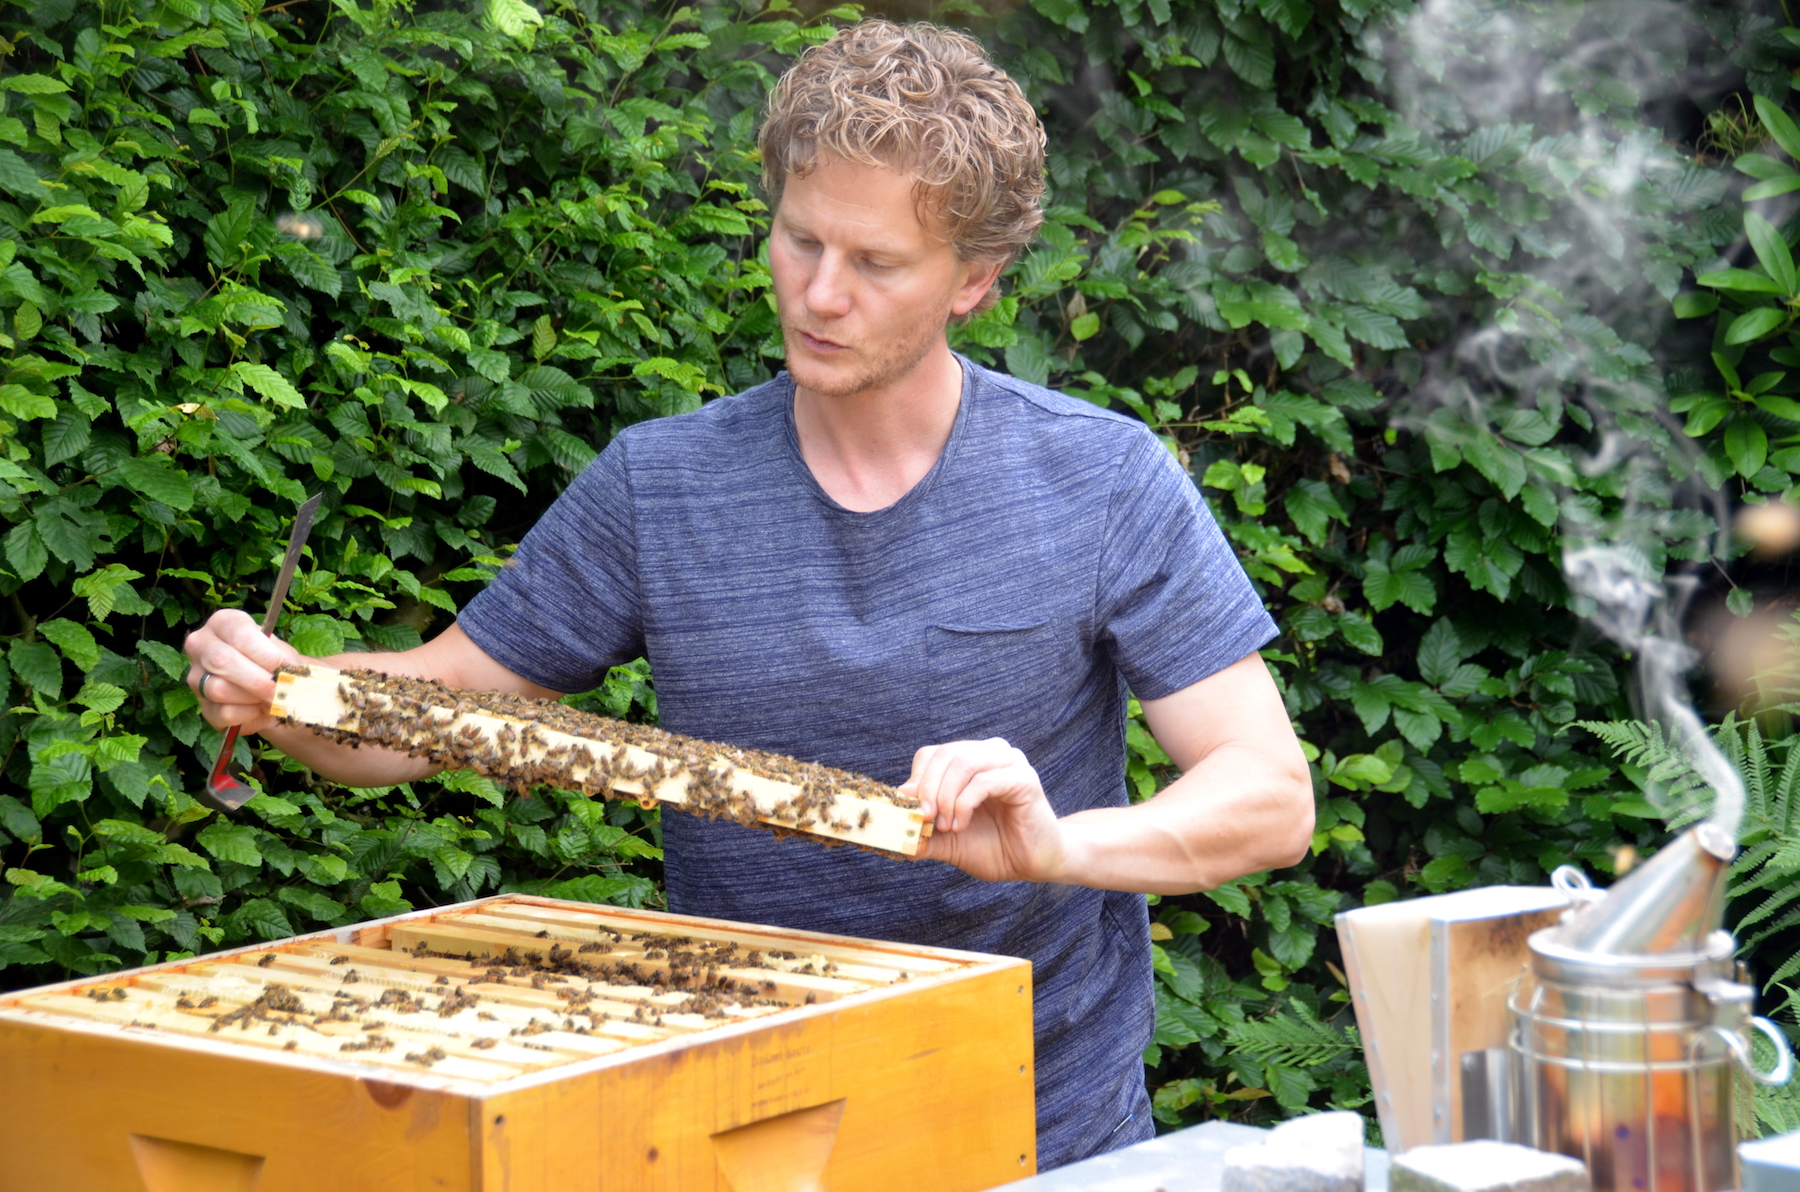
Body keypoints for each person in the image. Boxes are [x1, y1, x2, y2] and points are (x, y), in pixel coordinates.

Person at [184, 21, 1313, 1170]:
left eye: (874, 263)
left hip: (1042, 1127)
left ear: (974, 279)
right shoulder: (660, 483)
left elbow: (1270, 796)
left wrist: (1058, 848)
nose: (821, 294)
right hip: (744, 1125)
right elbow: (436, 707)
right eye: (799, 239)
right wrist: (287, 692)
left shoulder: (1102, 480)